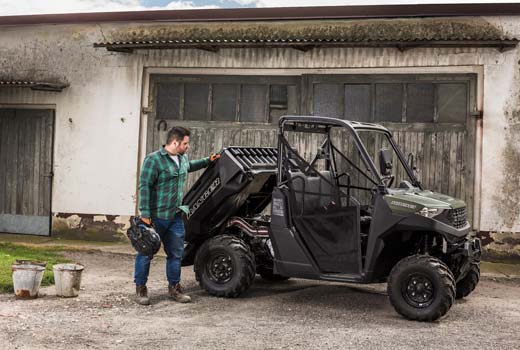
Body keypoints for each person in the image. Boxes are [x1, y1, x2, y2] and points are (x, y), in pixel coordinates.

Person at [134, 126, 220, 305]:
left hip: (175, 217)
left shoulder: (182, 158)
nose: (188, 146)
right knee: (145, 253)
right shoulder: (153, 160)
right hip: (155, 218)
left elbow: (188, 167)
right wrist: (145, 214)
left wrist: (207, 161)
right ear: (175, 142)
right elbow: (144, 186)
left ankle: (174, 288)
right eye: (186, 143)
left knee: (176, 254)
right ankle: (141, 288)